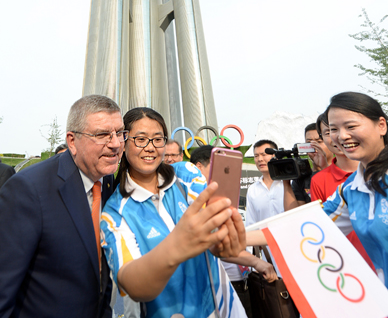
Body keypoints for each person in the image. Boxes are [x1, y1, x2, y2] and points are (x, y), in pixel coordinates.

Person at [100, 107, 247, 318]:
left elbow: (214, 229)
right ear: (123, 142)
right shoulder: (114, 213)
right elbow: (131, 282)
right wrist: (177, 244)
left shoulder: (186, 175)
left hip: (224, 308)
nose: (150, 147)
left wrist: (223, 241)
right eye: (140, 139)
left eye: (157, 139)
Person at [0, 94, 124, 318]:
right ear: (72, 141)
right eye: (102, 135)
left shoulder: (106, 180)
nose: (115, 144)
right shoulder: (28, 190)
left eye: (119, 133)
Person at [190, 145, 277, 318]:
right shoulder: (194, 200)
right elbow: (215, 244)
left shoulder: (220, 197)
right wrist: (256, 261)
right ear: (199, 168)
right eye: (218, 167)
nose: (223, 173)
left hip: (242, 278)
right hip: (216, 285)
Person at [322, 91, 388, 286]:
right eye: (333, 129)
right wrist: (240, 236)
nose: (341, 136)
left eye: (351, 126)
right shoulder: (349, 189)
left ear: (381, 126)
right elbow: (310, 226)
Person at [291, 122, 334, 204]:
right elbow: (296, 211)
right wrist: (286, 182)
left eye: (319, 141)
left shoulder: (343, 170)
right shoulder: (301, 177)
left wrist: (324, 168)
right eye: (309, 142)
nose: (314, 146)